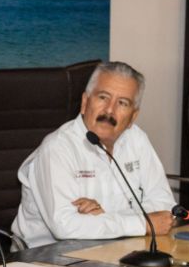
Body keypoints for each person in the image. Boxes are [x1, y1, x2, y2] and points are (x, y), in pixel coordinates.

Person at [13, 61, 176, 248]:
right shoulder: (57, 148)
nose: (109, 110)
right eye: (103, 97)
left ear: (133, 117)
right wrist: (142, 224)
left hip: (119, 250)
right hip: (47, 257)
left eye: (122, 103)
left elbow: (165, 208)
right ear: (85, 103)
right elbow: (65, 226)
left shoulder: (136, 139)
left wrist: (104, 219)